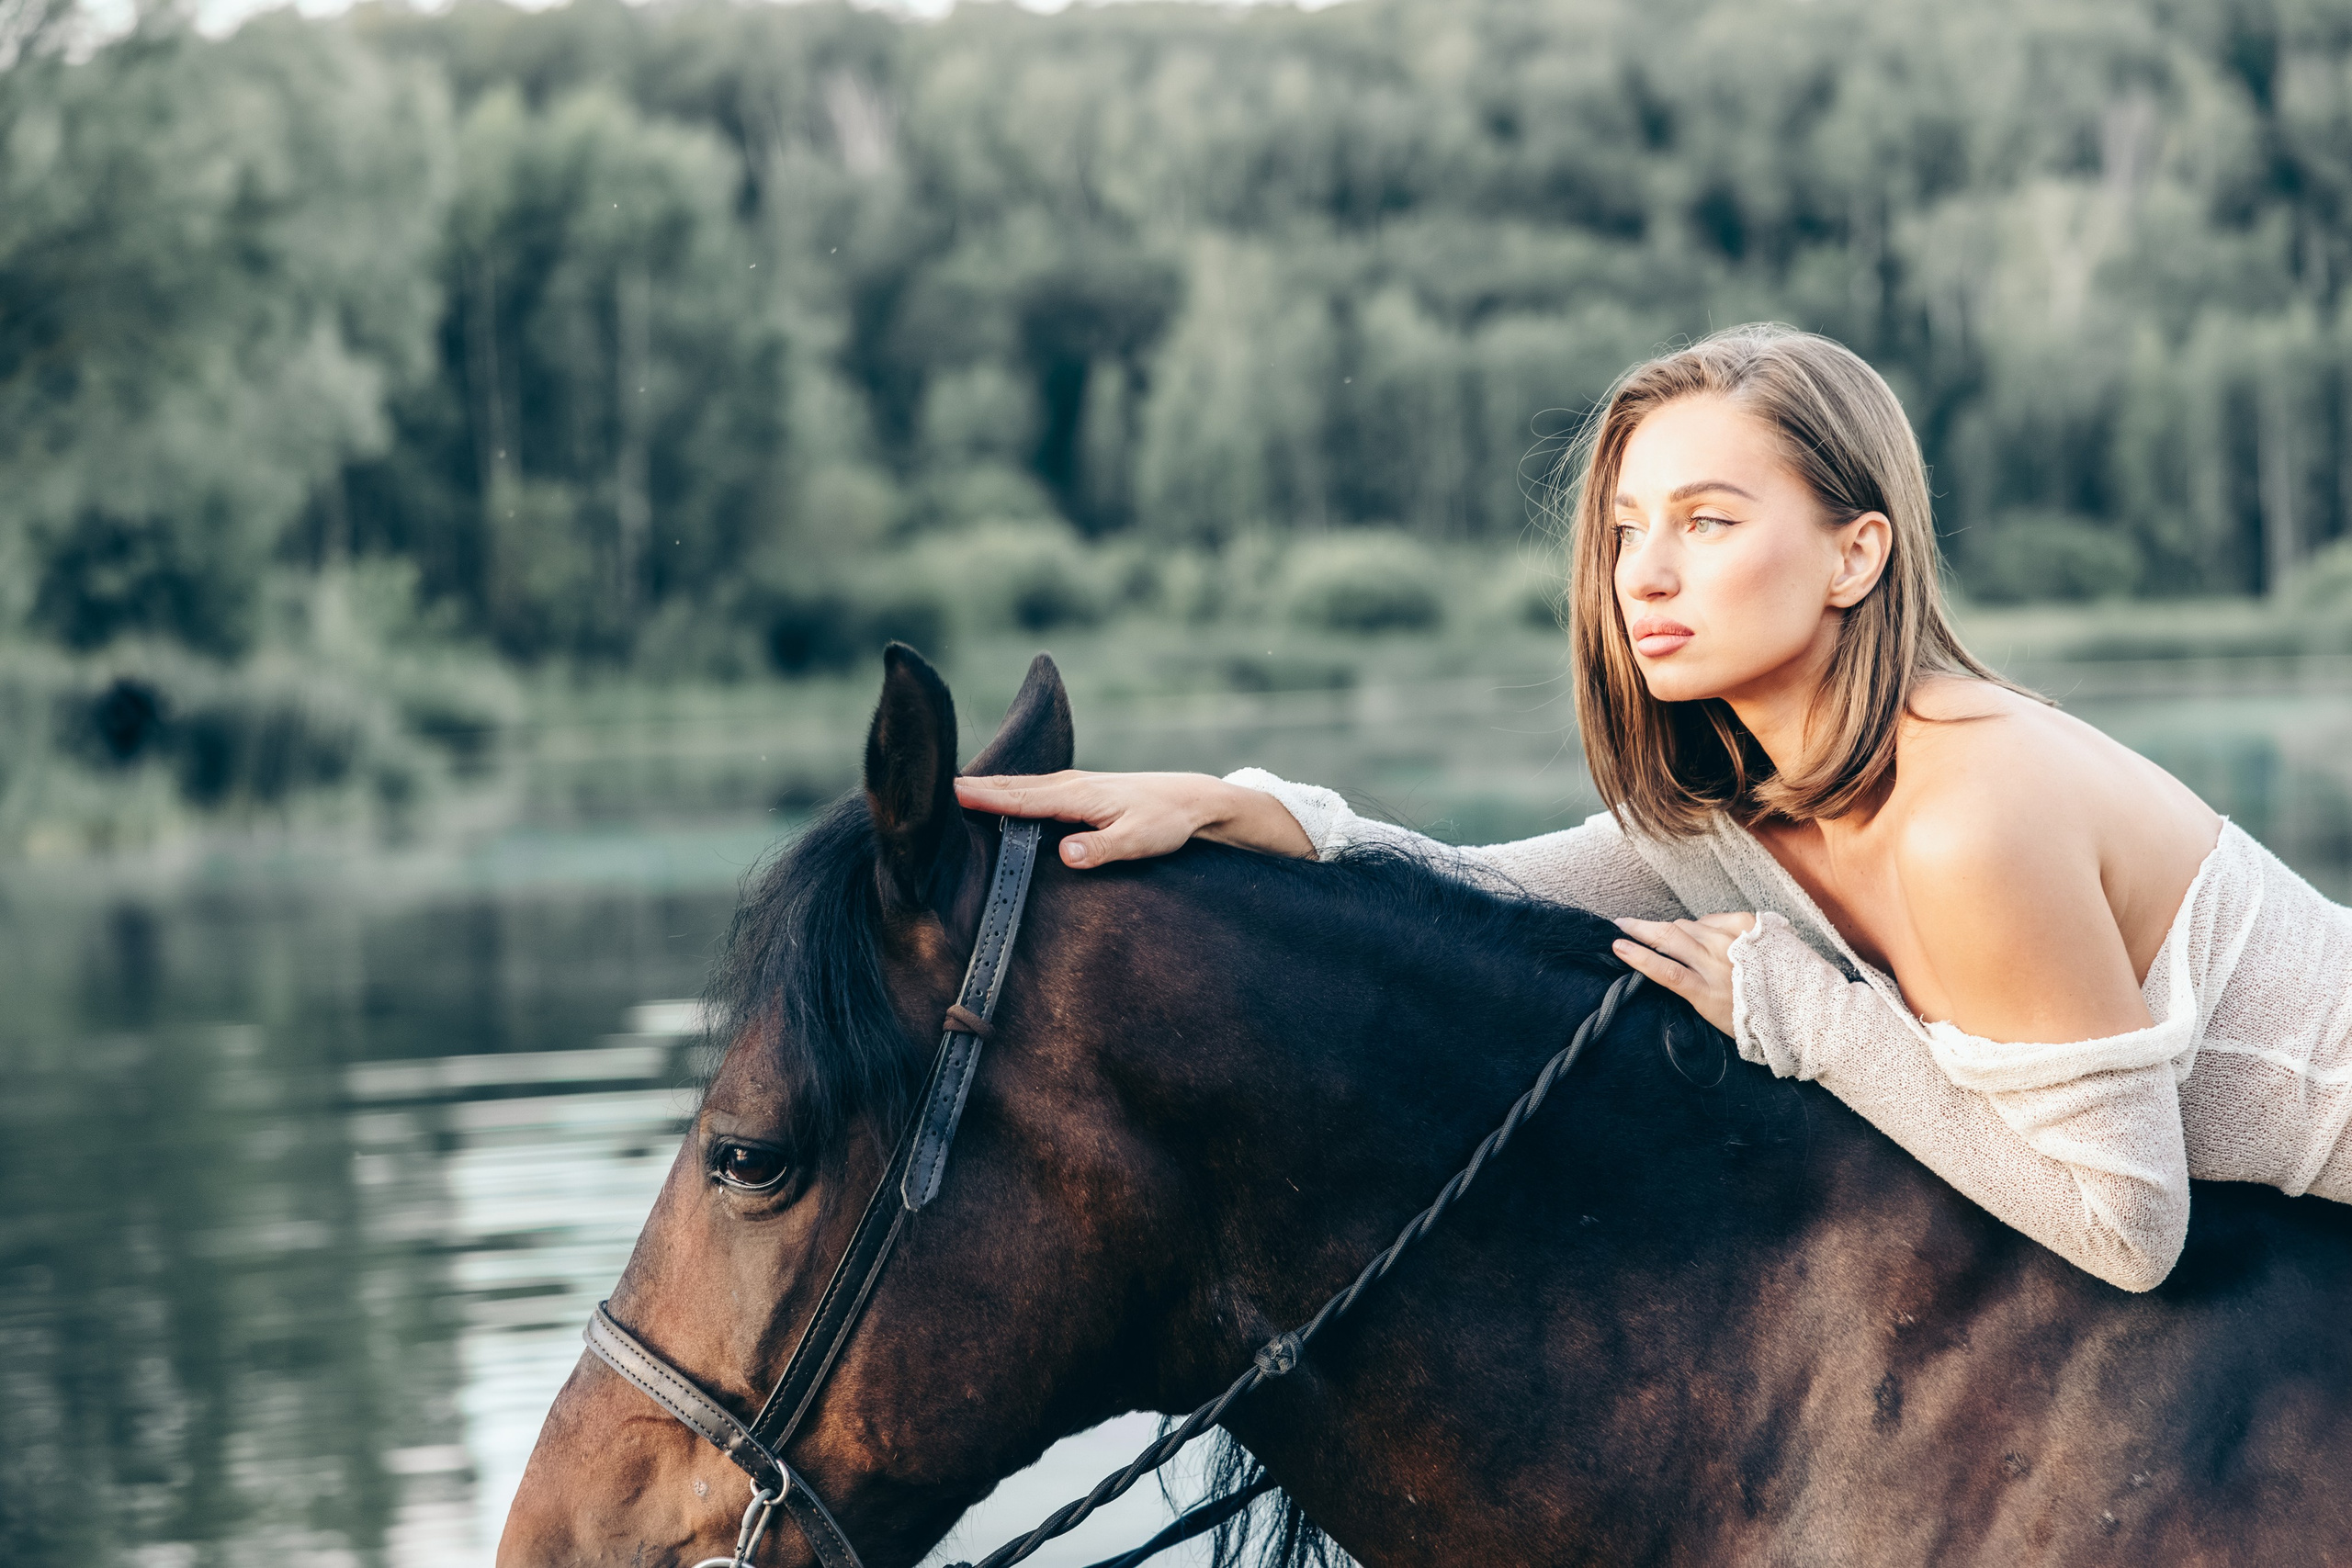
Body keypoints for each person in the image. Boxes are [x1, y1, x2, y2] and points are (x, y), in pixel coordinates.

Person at [954, 323, 2352, 1294]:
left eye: (1709, 521)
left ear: (1856, 555)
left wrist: (1808, 1020)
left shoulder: (1968, 813)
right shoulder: (1740, 819)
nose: (1645, 574)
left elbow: (2127, 1226)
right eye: (1627, 528)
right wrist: (1237, 807)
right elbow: (1471, 893)